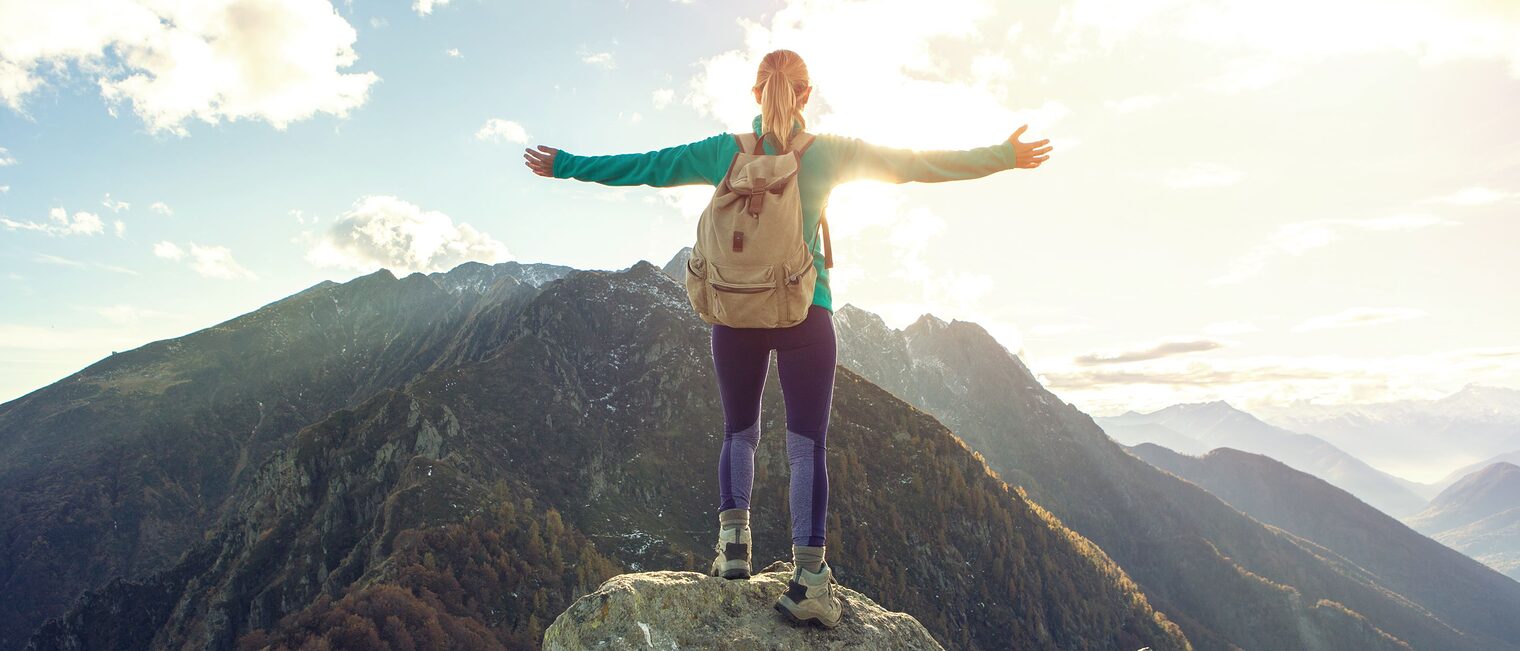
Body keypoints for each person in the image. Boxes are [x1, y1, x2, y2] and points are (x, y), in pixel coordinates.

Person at [524, 49, 1051, 629]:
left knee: (739, 433)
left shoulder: (725, 152)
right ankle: (809, 581)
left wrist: (566, 163)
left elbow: (646, 166)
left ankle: (732, 550)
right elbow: (916, 163)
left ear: (756, 95)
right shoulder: (826, 153)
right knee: (806, 447)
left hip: (736, 312)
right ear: (805, 95)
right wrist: (1003, 156)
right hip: (806, 313)